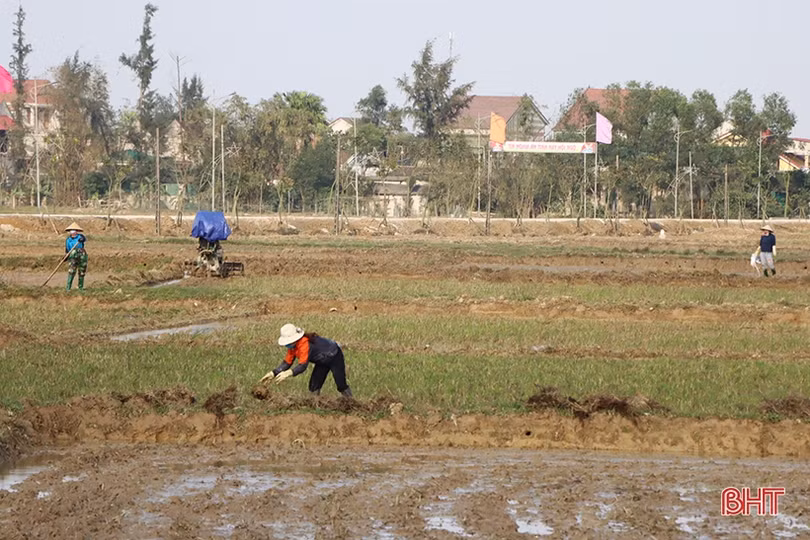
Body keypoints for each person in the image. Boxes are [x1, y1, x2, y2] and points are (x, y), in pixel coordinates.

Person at [260, 324, 353, 397]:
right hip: (321, 362)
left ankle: (352, 404)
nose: (287, 345)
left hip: (334, 356)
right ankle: (315, 409)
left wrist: (288, 373)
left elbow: (302, 366)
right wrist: (273, 373)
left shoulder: (304, 344)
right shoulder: (293, 347)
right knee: (313, 387)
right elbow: (287, 362)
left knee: (341, 385)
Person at [64, 222, 88, 291]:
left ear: (76, 231)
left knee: (82, 271)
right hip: (73, 255)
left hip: (82, 255)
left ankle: (80, 287)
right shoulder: (68, 240)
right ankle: (68, 288)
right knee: (71, 271)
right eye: (71, 230)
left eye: (74, 230)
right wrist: (66, 256)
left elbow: (84, 239)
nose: (72, 232)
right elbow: (67, 249)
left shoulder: (80, 237)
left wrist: (82, 239)